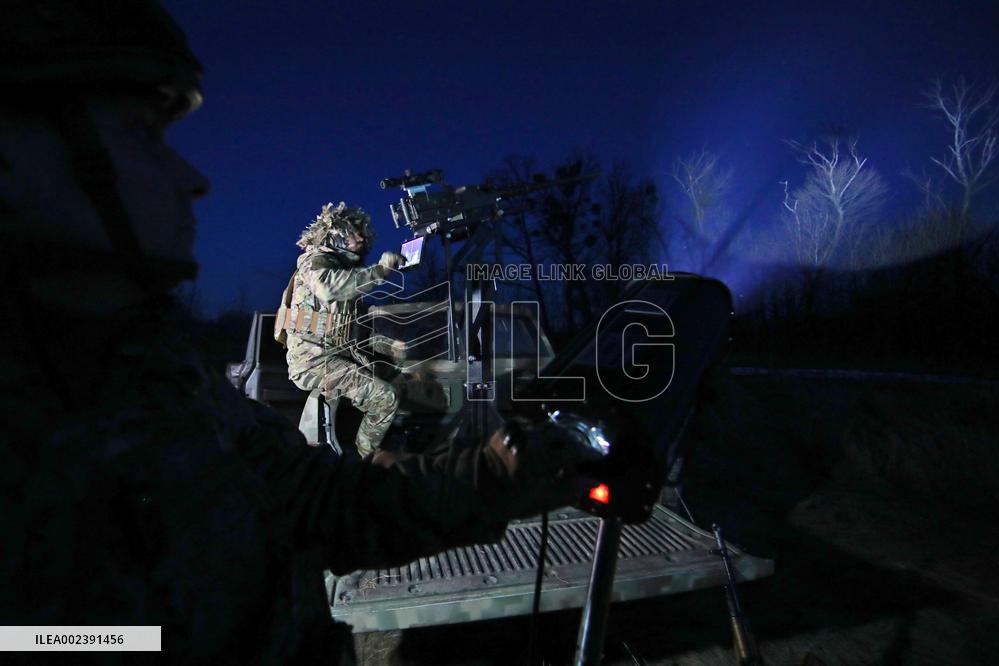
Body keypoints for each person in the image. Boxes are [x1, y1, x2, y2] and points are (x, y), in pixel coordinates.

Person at [0, 1, 583, 663]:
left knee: (408, 380)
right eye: (141, 136)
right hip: (320, 364)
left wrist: (501, 475)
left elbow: (315, 503)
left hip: (335, 363)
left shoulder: (162, 373)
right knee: (388, 395)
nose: (194, 180)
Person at [276, 202, 406, 456]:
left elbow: (354, 327)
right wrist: (380, 271)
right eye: (352, 232)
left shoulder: (343, 273)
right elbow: (328, 287)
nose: (359, 238)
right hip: (313, 361)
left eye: (361, 234)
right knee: (385, 398)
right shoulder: (314, 261)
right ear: (334, 234)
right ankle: (364, 465)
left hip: (337, 355)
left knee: (401, 378)